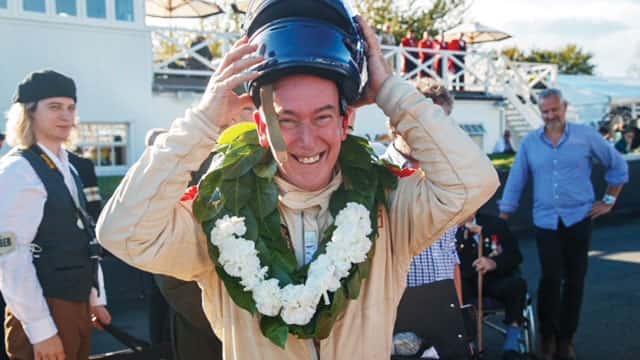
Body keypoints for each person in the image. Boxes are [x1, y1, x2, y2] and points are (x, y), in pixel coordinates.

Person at [97, 1, 499, 359]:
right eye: (286, 119)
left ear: (347, 121)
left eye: (323, 116)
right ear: (260, 125)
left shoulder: (391, 207)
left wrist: (391, 91)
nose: (307, 141)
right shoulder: (218, 217)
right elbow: (123, 233)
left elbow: (473, 183)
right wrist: (203, 121)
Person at [498, 88, 628, 360]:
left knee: (575, 281)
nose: (550, 115)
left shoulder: (586, 136)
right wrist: (502, 219)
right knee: (550, 279)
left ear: (564, 107)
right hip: (546, 221)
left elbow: (617, 165)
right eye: (545, 111)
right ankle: (547, 337)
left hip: (579, 218)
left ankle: (565, 340)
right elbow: (516, 181)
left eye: (554, 110)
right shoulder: (531, 143)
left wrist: (608, 201)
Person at [0, 70, 111, 360]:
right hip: (44, 309)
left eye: (70, 107)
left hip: (76, 306)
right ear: (29, 113)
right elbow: (10, 258)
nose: (66, 115)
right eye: (54, 107)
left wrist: (95, 298)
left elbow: (83, 236)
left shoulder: (68, 167)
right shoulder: (16, 172)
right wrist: (41, 331)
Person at [455, 212, 528, 360]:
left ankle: (511, 344)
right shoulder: (448, 229)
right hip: (467, 281)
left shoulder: (495, 224)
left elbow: (515, 256)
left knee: (517, 285)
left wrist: (493, 263)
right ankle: (468, 344)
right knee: (455, 290)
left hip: (496, 278)